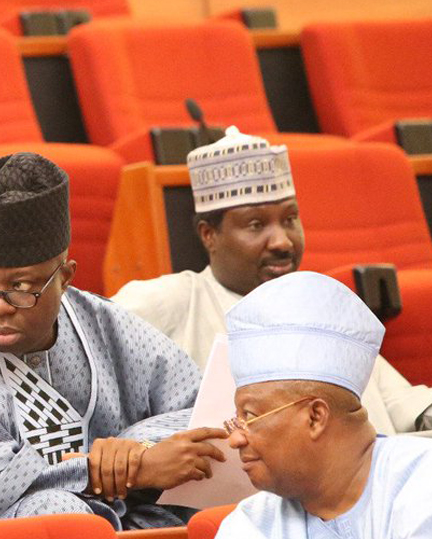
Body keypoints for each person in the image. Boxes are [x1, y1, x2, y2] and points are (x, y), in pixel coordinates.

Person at [0, 152, 225, 529]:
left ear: (65, 278)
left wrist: (136, 449)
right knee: (58, 515)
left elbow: (204, 412)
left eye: (21, 286)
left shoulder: (105, 324)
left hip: (113, 519)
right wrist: (113, 471)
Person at [169, 272, 432, 539]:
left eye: (249, 416)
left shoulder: (420, 480)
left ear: (315, 417)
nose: (235, 439)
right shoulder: (251, 528)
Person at [112, 126, 432, 436]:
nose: (282, 241)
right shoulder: (171, 301)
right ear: (209, 235)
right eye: (256, 225)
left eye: (290, 219)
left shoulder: (322, 305)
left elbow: (402, 403)